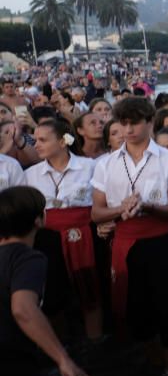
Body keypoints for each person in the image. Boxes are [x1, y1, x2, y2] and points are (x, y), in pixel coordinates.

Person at [0, 186, 92, 376]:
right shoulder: (28, 258)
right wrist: (63, 360)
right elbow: (23, 309)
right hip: (13, 370)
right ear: (39, 220)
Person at [90, 96, 168, 373]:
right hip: (125, 243)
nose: (128, 130)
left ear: (149, 122)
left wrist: (149, 207)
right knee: (136, 311)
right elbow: (96, 213)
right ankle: (155, 368)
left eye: (134, 123)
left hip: (162, 242)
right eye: (124, 123)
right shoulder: (106, 164)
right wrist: (122, 208)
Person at [24, 120, 101, 340]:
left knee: (89, 290)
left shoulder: (89, 166)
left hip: (84, 235)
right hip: (48, 239)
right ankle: (61, 348)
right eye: (35, 139)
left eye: (42, 140)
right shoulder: (31, 174)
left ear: (62, 141)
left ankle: (94, 345)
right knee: (52, 295)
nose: (36, 145)